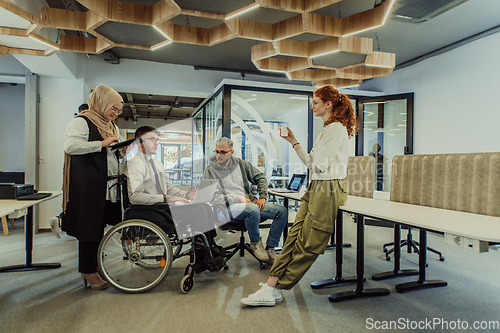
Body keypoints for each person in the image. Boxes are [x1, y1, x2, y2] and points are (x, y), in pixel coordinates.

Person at [240, 85, 358, 306]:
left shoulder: (336, 129)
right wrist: (293, 142)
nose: (313, 106)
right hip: (317, 187)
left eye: (316, 102)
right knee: (293, 238)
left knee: (309, 243)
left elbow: (319, 166)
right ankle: (271, 286)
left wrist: (312, 160)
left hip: (328, 188)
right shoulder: (328, 128)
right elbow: (313, 164)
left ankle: (277, 286)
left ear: (328, 104)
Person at [62, 84, 125, 290]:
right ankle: (87, 272)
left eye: (118, 111)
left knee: (98, 227)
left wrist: (122, 149)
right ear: (102, 102)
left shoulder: (110, 125)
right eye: (112, 109)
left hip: (105, 184)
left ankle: (95, 265)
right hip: (88, 185)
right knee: (88, 229)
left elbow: (114, 149)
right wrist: (102, 144)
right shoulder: (82, 121)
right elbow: (70, 146)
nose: (114, 114)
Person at [204, 137, 288, 263]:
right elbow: (212, 197)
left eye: (223, 152)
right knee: (252, 209)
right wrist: (237, 198)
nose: (218, 155)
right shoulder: (210, 170)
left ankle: (271, 247)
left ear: (231, 152)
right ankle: (255, 243)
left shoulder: (241, 164)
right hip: (226, 207)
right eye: (216, 151)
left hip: (249, 203)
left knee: (282, 211)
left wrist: (263, 197)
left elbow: (260, 177)